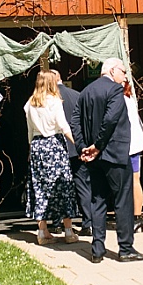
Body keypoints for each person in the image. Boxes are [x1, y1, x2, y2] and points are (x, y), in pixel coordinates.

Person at [75, 57, 143, 263]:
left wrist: (83, 147)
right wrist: (97, 146)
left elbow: (75, 121)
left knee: (97, 200)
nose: (125, 76)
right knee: (122, 201)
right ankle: (126, 248)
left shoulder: (86, 91)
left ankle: (97, 249)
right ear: (113, 70)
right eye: (123, 72)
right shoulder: (115, 90)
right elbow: (110, 120)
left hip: (94, 158)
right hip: (114, 155)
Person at [24, 71, 79, 245]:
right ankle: (68, 231)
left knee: (40, 187)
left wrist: (30, 150)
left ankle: (42, 232)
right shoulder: (55, 102)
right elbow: (63, 126)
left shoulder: (30, 104)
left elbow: (30, 131)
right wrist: (78, 145)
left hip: (38, 147)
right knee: (63, 186)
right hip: (55, 146)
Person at [51, 69, 93, 236]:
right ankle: (88, 223)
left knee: (57, 186)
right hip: (76, 146)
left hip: (58, 148)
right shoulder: (77, 95)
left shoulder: (49, 99)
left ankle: (56, 222)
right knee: (83, 185)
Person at [123, 79, 143, 231]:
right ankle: (137, 217)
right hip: (134, 144)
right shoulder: (130, 100)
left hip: (128, 145)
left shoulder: (123, 101)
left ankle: (135, 216)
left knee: (132, 180)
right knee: (134, 180)